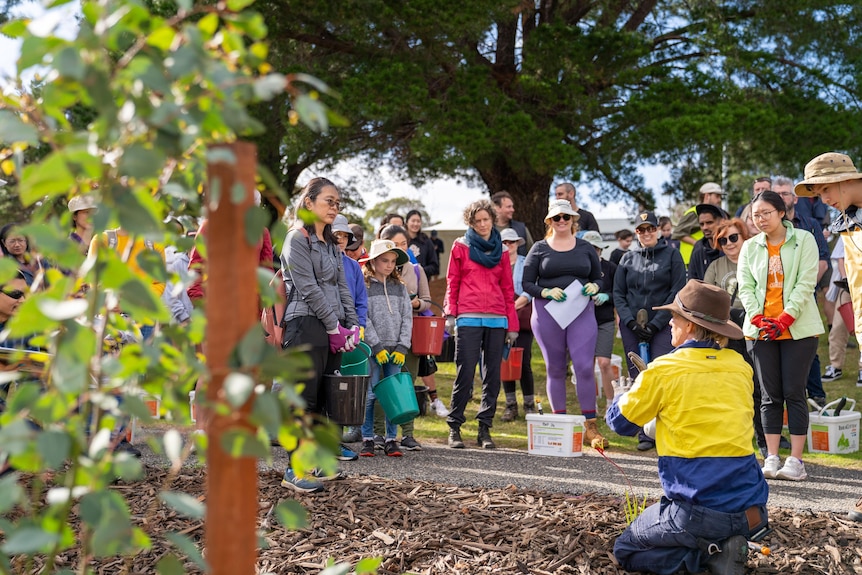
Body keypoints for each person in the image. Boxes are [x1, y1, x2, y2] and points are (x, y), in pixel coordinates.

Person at [607, 280, 769, 575]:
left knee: (626, 550)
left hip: (698, 511)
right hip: (752, 510)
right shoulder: (739, 366)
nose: (669, 322)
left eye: (675, 316)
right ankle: (720, 545)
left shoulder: (664, 370)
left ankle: (709, 557)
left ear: (691, 326)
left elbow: (620, 423)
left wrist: (622, 395)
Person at [279, 177, 360, 493]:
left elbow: (343, 286)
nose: (334, 207)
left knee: (326, 399)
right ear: (309, 202)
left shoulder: (332, 245)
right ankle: (293, 469)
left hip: (333, 327)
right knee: (303, 398)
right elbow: (308, 288)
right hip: (306, 324)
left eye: (338, 203)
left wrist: (351, 325)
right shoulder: (295, 239)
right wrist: (332, 326)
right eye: (329, 200)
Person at [737, 190, 823, 482]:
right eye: (755, 215)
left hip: (798, 329)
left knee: (794, 393)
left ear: (782, 213)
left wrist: (785, 318)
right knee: (768, 395)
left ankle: (796, 460)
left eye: (766, 213)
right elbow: (745, 286)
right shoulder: (750, 247)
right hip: (760, 331)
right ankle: (771, 456)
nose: (760, 220)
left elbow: (806, 282)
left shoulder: (804, 240)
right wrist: (758, 317)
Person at [793, 151, 862, 519]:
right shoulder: (845, 223)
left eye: (823, 190)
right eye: (816, 194)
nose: (822, 200)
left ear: (846, 178)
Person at [522, 200, 607, 448]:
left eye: (566, 217)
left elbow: (598, 277)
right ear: (549, 221)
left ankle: (590, 426)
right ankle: (560, 424)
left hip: (580, 310)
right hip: (548, 313)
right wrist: (546, 292)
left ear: (573, 220)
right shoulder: (538, 248)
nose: (561, 221)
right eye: (556, 217)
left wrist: (595, 286)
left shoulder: (585, 248)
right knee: (556, 368)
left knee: (583, 366)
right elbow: (527, 284)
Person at [444, 199, 518, 450]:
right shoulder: (460, 246)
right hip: (468, 317)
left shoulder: (503, 250)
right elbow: (452, 282)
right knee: (465, 373)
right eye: (478, 221)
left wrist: (513, 325)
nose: (483, 224)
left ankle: (484, 429)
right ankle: (454, 427)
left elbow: (508, 289)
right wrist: (450, 314)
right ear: (471, 223)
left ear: (492, 220)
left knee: (493, 377)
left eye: (486, 219)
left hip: (497, 319)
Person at [613, 210, 686, 450]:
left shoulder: (672, 256)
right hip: (632, 325)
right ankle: (644, 431)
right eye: (641, 229)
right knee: (638, 377)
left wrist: (656, 323)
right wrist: (630, 321)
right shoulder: (627, 258)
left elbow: (676, 291)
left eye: (650, 228)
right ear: (636, 232)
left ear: (658, 229)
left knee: (660, 373)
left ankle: (663, 429)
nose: (646, 233)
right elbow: (619, 294)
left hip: (663, 324)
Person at [703, 219, 766, 455]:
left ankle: (766, 437)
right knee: (728, 385)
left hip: (752, 327)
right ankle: (731, 437)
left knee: (759, 385)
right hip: (724, 329)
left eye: (733, 237)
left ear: (743, 237)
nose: (728, 243)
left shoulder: (757, 261)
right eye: (723, 239)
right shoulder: (716, 266)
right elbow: (706, 297)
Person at [378, 224, 439, 450]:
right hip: (382, 337)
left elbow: (427, 300)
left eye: (404, 244)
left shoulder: (415, 269)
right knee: (380, 384)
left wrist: (415, 303)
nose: (401, 249)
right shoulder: (375, 271)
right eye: (396, 244)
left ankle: (408, 433)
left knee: (406, 382)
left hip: (409, 335)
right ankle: (377, 434)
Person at [775, 176, 830, 408]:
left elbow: (823, 262)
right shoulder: (768, 228)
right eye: (776, 194)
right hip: (775, 300)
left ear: (795, 198)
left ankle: (816, 394)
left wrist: (802, 290)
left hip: (805, 297)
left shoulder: (810, 224)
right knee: (779, 349)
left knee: (808, 347)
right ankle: (784, 400)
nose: (780, 198)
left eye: (785, 194)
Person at [358, 239, 412, 458]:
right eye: (384, 261)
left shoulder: (400, 288)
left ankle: (391, 439)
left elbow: (408, 318)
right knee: (370, 395)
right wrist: (376, 346)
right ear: (373, 262)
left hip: (396, 351)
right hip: (373, 351)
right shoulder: (364, 286)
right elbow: (364, 318)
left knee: (393, 396)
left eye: (393, 262)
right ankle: (367, 439)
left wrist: (402, 346)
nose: (389, 265)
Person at [332, 215, 368, 450]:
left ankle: (336, 438)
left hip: (348, 329)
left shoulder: (353, 266)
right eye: (338, 236)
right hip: (325, 328)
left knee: (341, 385)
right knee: (325, 384)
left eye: (345, 236)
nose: (342, 240)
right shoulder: (319, 261)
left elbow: (361, 300)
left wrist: (360, 324)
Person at [499, 227, 535, 421]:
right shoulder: (495, 263)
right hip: (500, 317)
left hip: (521, 317)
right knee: (505, 361)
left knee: (524, 361)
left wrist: (512, 307)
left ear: (517, 244)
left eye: (511, 242)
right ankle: (510, 404)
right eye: (505, 242)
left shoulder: (525, 262)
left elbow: (529, 291)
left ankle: (529, 403)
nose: (508, 245)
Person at [581, 230, 617, 402]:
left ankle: (611, 403)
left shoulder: (610, 268)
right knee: (586, 365)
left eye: (596, 248)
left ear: (601, 249)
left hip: (605, 320)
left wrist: (607, 296)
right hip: (583, 321)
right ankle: (590, 404)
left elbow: (619, 293)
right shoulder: (579, 269)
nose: (594, 252)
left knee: (604, 362)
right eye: (589, 248)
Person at [822, 237, 860, 384]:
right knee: (838, 328)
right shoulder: (848, 228)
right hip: (848, 287)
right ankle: (835, 366)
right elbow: (841, 258)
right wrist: (846, 279)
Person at [673, 182, 724, 266]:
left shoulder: (717, 213)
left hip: (706, 258)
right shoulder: (694, 213)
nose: (719, 200)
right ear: (707, 196)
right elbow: (677, 233)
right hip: (691, 260)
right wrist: (699, 245)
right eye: (717, 196)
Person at [687, 204, 727, 281]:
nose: (705, 227)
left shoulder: (732, 245)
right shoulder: (698, 248)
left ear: (722, 222)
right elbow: (692, 281)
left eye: (709, 223)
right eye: (702, 224)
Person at [491, 190, 534, 256]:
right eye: (509, 207)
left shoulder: (522, 229)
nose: (512, 210)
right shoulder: (487, 231)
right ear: (497, 208)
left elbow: (532, 254)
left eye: (512, 206)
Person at [405, 210, 439, 279]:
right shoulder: (401, 240)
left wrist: (419, 270)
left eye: (418, 221)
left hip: (422, 283)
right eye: (413, 221)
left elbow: (434, 266)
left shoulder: (426, 241)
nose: (415, 224)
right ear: (406, 222)